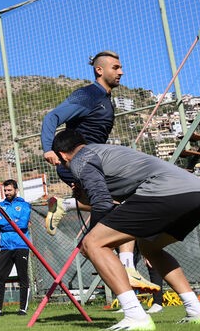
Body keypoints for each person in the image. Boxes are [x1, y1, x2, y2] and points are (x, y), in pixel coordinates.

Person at [51, 129, 200, 331]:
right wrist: (84, 195)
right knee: (149, 247)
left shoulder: (79, 160)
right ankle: (196, 310)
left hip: (164, 191)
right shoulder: (104, 151)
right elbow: (115, 199)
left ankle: (135, 315)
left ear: (63, 154)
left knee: (93, 243)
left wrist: (92, 237)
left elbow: (101, 203)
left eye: (59, 160)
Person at [40, 50, 156, 291]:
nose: (121, 72)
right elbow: (51, 118)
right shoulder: (89, 94)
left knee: (120, 206)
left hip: (94, 164)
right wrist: (48, 150)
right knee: (126, 206)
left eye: (121, 67)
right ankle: (127, 267)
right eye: (116, 67)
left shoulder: (104, 99)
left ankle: (66, 206)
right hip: (80, 163)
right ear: (99, 70)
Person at [0, 180, 32, 317]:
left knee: (22, 277)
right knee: (0, 278)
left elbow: (22, 224)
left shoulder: (24, 205)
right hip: (6, 246)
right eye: (5, 190)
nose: (7, 193)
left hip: (21, 245)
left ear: (16, 190)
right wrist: (13, 222)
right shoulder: (0, 206)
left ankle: (23, 309)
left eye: (9, 190)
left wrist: (6, 223)